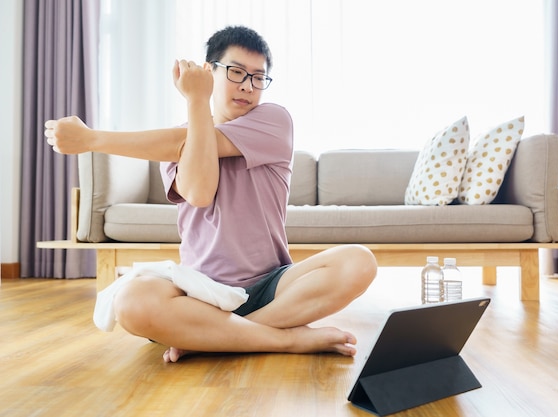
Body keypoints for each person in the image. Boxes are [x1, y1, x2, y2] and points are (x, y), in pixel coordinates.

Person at [44, 26, 377, 362]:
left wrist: (92, 139)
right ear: (208, 72)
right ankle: (284, 340)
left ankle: (215, 336)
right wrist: (198, 101)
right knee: (132, 303)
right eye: (235, 72)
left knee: (358, 261)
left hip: (273, 286)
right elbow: (200, 192)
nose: (247, 85)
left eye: (258, 77)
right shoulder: (175, 141)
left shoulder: (274, 121)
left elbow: (197, 144)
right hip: (199, 290)